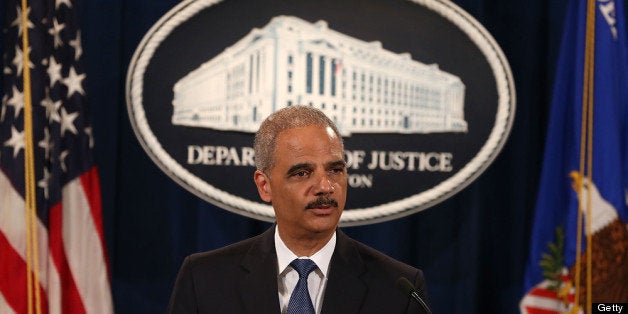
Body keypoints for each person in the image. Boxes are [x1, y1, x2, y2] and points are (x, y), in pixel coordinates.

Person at [167, 105, 429, 314]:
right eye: (302, 173)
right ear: (264, 185)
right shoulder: (205, 279)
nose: (325, 186)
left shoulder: (400, 290)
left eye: (335, 170)